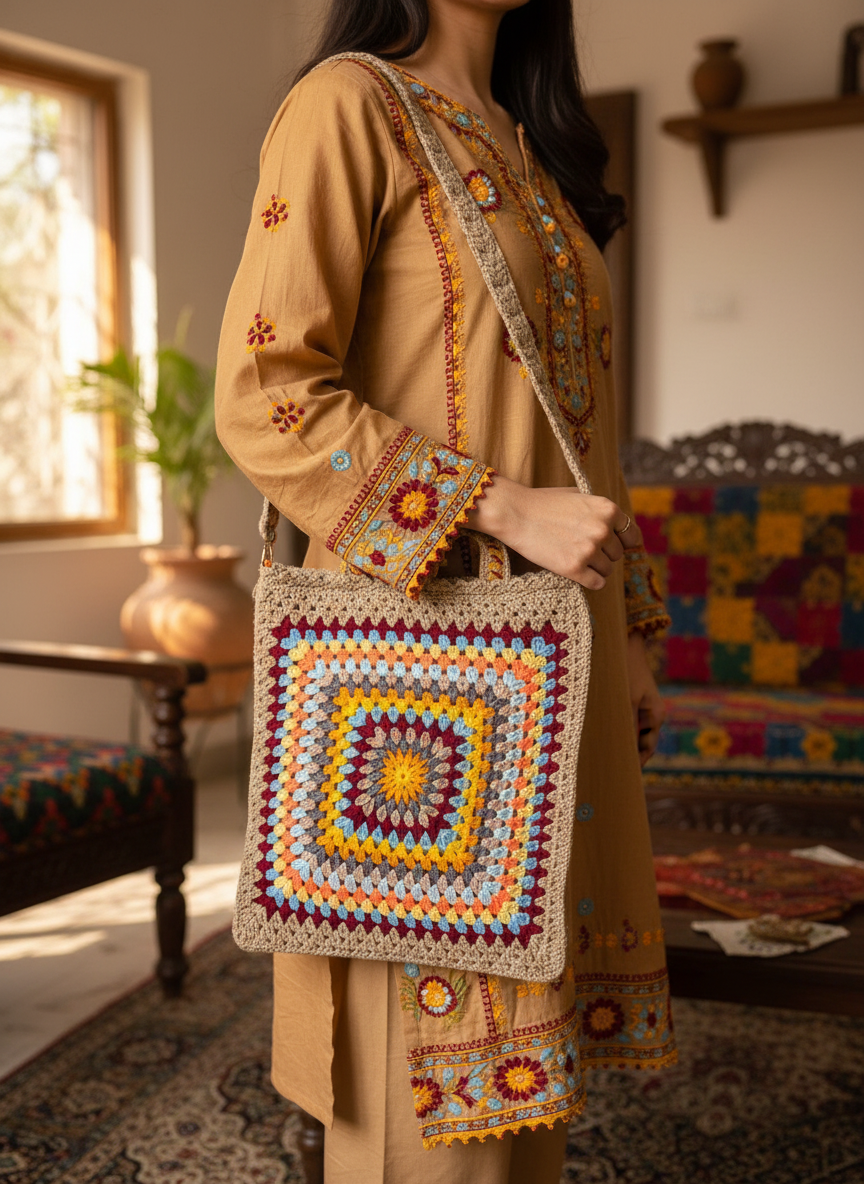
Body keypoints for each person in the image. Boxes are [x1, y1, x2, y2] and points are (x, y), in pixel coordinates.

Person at [215, 1, 676, 1179]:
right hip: (422, 675)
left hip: (555, 660)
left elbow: (584, 431)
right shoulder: (348, 107)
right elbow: (268, 396)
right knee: (433, 1113)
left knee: (527, 1090)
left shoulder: (532, 148)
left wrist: (632, 621)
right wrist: (503, 508)